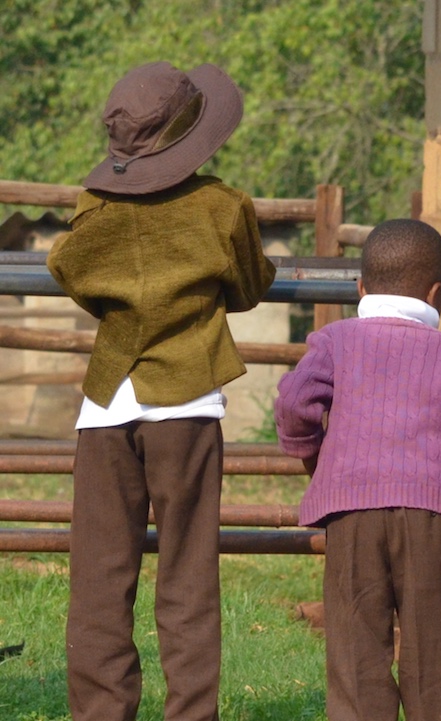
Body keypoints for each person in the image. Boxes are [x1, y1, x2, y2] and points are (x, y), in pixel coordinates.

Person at [47, 61, 276, 720]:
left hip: (107, 402)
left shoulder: (96, 209)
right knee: (187, 578)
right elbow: (251, 284)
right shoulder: (222, 206)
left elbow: (70, 269)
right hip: (187, 403)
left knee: (97, 580)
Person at [274, 218, 441, 721]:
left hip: (351, 516)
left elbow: (294, 402)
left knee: (356, 651)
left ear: (360, 287)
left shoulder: (334, 340)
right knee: (437, 648)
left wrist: (313, 454)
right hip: (432, 518)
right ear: (437, 292)